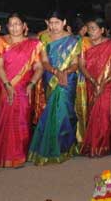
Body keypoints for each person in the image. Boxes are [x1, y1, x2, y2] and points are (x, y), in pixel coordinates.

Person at [29, 11, 81, 164]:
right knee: (53, 110)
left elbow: (75, 63)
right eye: (51, 23)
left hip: (68, 78)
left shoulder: (73, 40)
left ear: (64, 22)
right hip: (51, 77)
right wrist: (55, 71)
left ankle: (65, 146)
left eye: (57, 22)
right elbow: (44, 61)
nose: (53, 26)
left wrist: (65, 72)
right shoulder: (44, 38)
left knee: (66, 111)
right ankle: (54, 147)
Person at [0, 13, 42, 168]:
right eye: (11, 24)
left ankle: (19, 156)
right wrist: (7, 85)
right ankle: (4, 156)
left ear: (24, 26)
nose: (14, 27)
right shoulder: (1, 42)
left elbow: (39, 67)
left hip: (24, 87)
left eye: (17, 24)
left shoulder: (34, 44)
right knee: (5, 120)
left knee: (22, 121)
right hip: (5, 85)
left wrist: (31, 84)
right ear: (7, 27)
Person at [80, 17, 111, 157]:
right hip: (90, 82)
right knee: (93, 112)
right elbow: (81, 65)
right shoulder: (84, 43)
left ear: (102, 30)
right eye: (88, 29)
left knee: (103, 112)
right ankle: (94, 144)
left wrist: (105, 81)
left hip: (108, 83)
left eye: (94, 28)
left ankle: (103, 145)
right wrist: (92, 80)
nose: (90, 32)